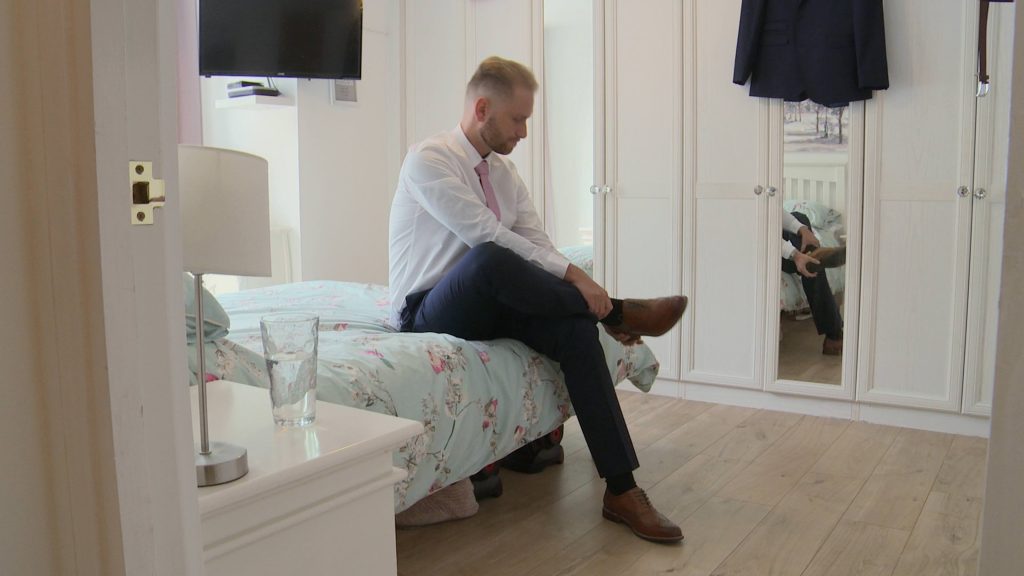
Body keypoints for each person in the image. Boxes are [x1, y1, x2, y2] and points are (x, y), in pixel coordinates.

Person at [388, 56, 687, 543]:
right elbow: (482, 232)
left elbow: (539, 244)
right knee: (489, 254)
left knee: (573, 330)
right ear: (482, 108)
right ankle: (620, 313)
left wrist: (575, 289)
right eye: (518, 119)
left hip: (490, 305)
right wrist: (581, 283)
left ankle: (622, 488)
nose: (525, 131)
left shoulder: (504, 174)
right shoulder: (429, 159)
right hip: (428, 311)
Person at [780, 210, 846, 355]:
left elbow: (773, 212)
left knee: (799, 217)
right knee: (808, 261)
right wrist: (795, 254)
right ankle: (813, 260)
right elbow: (761, 232)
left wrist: (803, 230)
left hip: (778, 241)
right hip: (758, 245)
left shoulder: (764, 195)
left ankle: (811, 258)